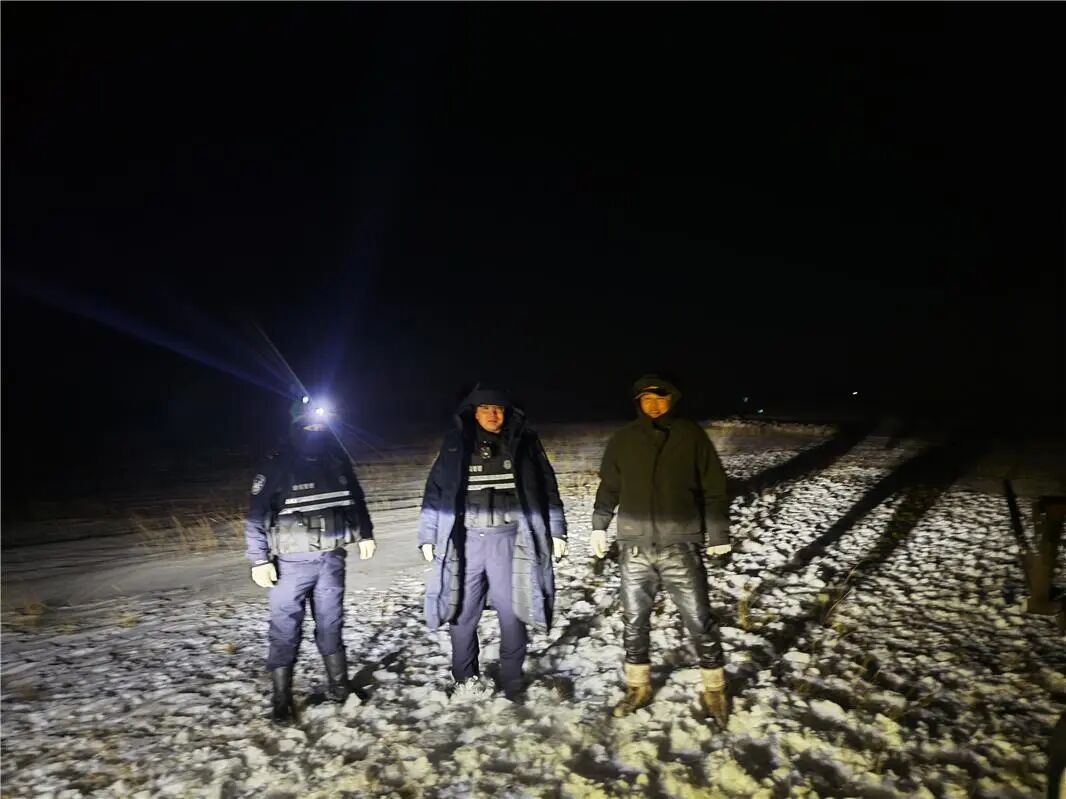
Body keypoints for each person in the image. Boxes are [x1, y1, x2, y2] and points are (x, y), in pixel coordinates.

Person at [590, 374, 732, 724]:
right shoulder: (624, 439)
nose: (653, 405)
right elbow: (609, 487)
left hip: (679, 545)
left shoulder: (690, 435)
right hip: (634, 547)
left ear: (672, 399)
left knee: (699, 618)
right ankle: (638, 686)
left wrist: (718, 534)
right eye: (646, 399)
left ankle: (715, 688)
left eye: (660, 398)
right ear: (638, 402)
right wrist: (599, 525)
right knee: (634, 621)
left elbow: (714, 487)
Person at [418, 385, 567, 700]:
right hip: (467, 543)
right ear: (473, 412)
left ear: (507, 413)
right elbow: (435, 492)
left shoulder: (525, 443)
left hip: (510, 541)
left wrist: (557, 531)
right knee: (461, 613)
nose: (492, 414)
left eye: (498, 409)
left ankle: (512, 680)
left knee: (513, 614)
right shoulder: (456, 445)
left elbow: (547, 489)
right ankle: (465, 679)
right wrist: (428, 535)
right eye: (485, 408)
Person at [244, 396, 375, 723]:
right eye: (308, 425)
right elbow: (255, 516)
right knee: (285, 630)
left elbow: (356, 499)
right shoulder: (277, 464)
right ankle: (281, 700)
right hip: (290, 565)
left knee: (331, 623)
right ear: (295, 426)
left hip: (331, 559)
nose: (315, 430)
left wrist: (366, 533)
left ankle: (340, 687)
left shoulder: (337, 460)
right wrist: (259, 559)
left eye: (320, 425)